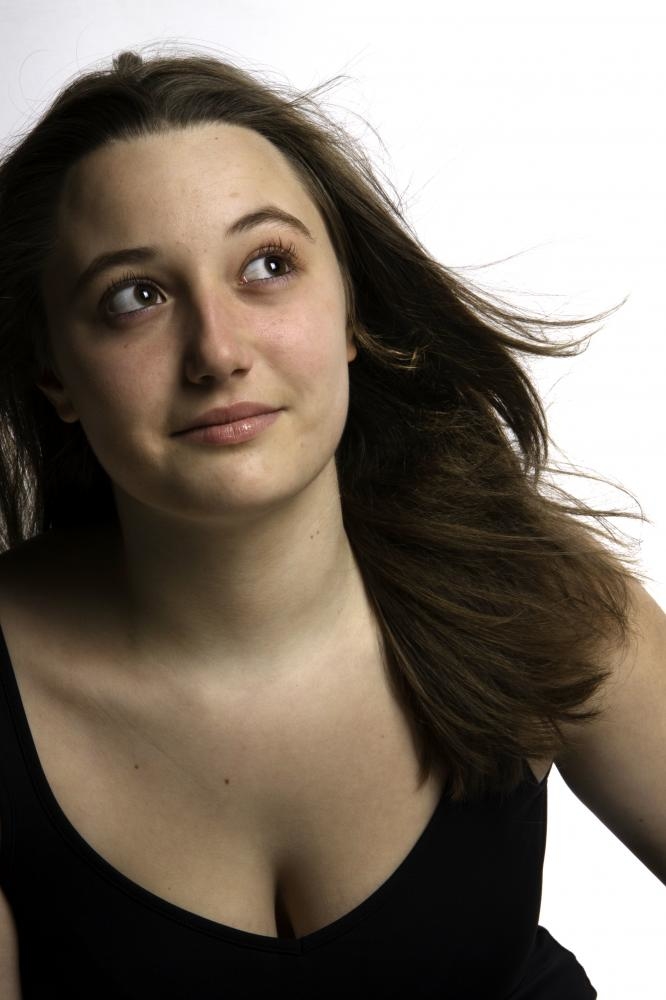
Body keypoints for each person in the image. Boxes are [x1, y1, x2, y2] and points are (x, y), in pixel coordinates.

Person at [0, 45, 663, 1000]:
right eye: (135, 296)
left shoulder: (529, 596)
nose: (218, 351)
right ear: (53, 371)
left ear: (351, 309)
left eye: (267, 265)